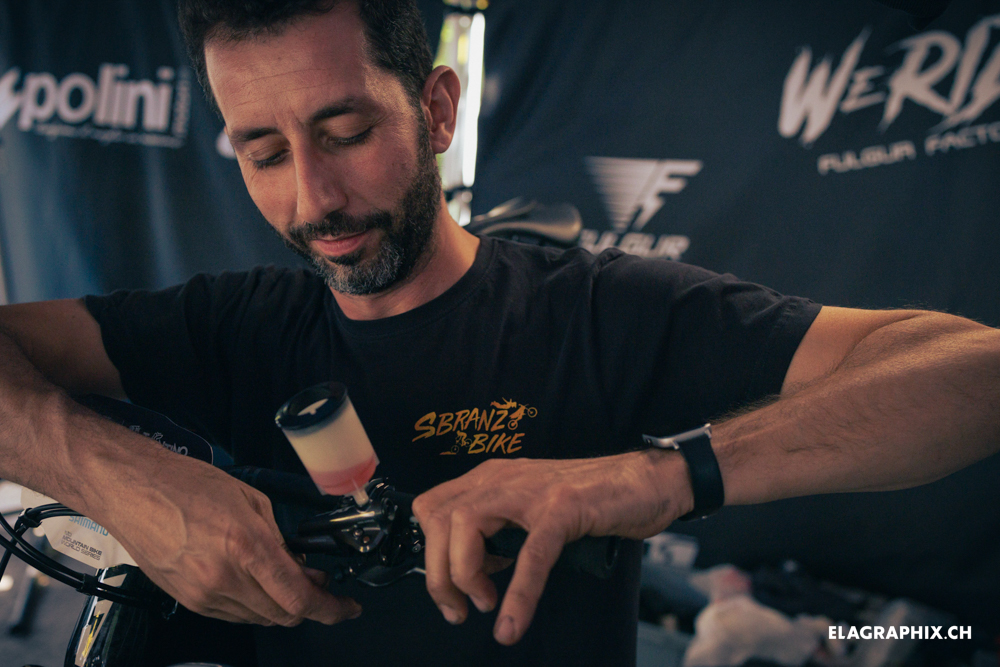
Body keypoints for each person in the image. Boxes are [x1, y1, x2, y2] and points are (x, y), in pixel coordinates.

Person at [0, 0, 997, 664]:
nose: (313, 199)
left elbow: (975, 372)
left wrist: (651, 478)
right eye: (263, 152)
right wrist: (120, 479)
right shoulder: (234, 325)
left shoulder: (599, 313)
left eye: (347, 134)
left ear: (437, 109)